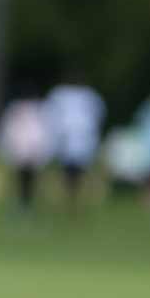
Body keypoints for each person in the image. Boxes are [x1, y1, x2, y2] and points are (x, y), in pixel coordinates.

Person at [44, 79, 105, 208]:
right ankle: (70, 201)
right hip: (69, 142)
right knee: (69, 175)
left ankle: (78, 202)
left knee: (78, 175)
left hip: (79, 142)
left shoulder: (83, 96)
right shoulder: (63, 95)